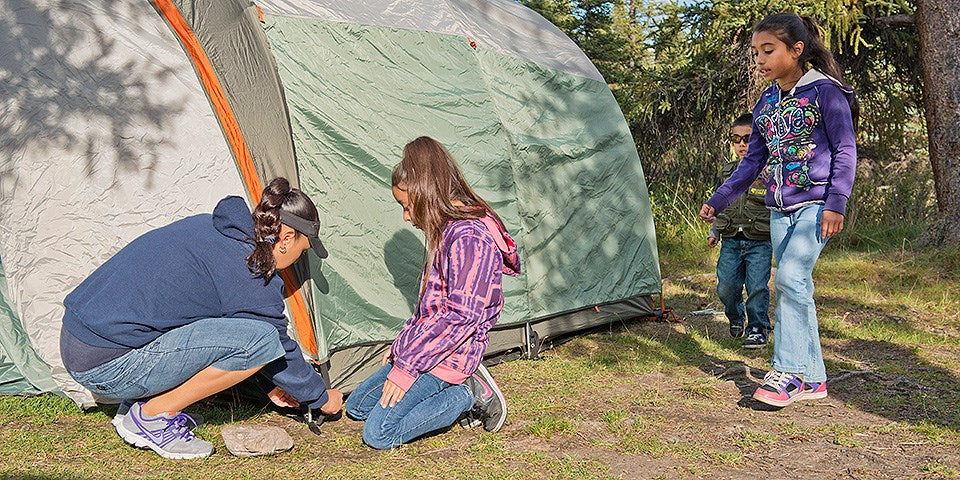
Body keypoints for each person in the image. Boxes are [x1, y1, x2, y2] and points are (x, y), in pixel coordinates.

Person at [60, 178, 342, 459]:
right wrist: (320, 397)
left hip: (77, 340)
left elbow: (211, 324)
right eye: (302, 251)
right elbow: (273, 342)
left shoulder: (212, 227)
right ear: (287, 238)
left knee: (242, 332)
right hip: (106, 365)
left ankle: (141, 401)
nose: (297, 260)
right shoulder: (251, 268)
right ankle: (151, 417)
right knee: (264, 339)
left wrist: (269, 384)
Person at [699, 13, 858, 408]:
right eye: (756, 53)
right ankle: (815, 378)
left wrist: (836, 202)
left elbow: (845, 151)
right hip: (778, 209)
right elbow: (752, 162)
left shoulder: (826, 92)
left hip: (816, 205)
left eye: (768, 50)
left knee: (789, 278)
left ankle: (787, 371)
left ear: (796, 50)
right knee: (795, 285)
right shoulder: (766, 101)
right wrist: (719, 199)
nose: (760, 59)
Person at [344, 136, 521, 449]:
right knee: (356, 406)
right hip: (426, 351)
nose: (406, 216)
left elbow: (461, 317)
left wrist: (406, 368)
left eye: (407, 206)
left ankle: (467, 393)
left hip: (449, 357)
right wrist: (402, 348)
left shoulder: (469, 239)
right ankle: (436, 387)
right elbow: (430, 307)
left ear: (427, 194)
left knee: (378, 435)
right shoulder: (445, 230)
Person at [708, 113, 773, 348]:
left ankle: (758, 327)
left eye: (748, 138)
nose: (742, 145)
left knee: (757, 286)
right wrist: (715, 230)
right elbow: (720, 204)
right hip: (731, 240)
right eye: (736, 139)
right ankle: (735, 315)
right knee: (726, 286)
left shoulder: (769, 172)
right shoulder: (728, 172)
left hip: (759, 241)